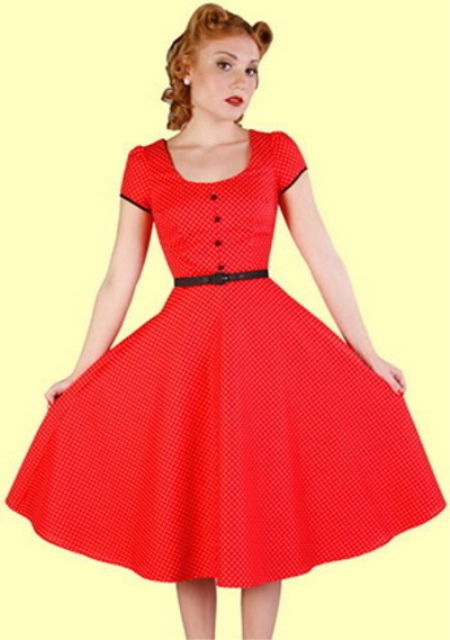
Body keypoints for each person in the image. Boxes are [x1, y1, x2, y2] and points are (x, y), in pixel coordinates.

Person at [4, 4, 447, 640]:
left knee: (260, 502)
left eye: (253, 69)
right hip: (185, 346)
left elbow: (322, 254)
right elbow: (120, 277)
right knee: (190, 504)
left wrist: (368, 354)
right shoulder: (145, 163)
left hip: (265, 343)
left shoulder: (276, 150)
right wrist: (83, 370)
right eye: (225, 64)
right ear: (186, 68)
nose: (243, 80)